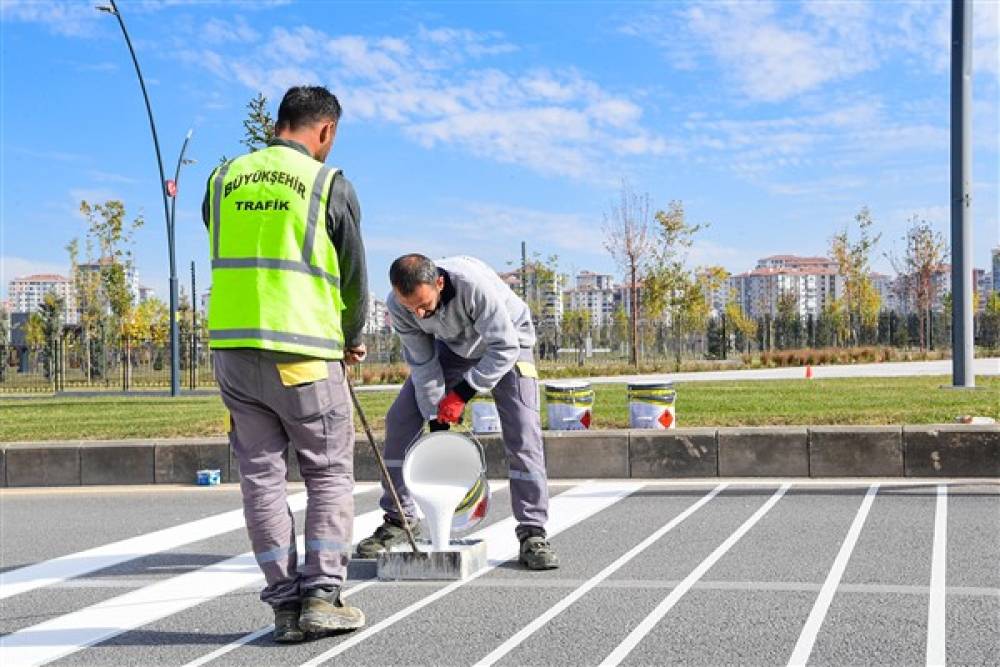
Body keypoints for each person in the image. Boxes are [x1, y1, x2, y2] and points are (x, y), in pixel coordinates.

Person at [202, 85, 368, 643]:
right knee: (326, 472)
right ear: (325, 131)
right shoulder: (328, 183)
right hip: (304, 355)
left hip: (234, 354)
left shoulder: (222, 179)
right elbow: (353, 277)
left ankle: (284, 606)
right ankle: (323, 594)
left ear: (279, 123)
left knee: (261, 478)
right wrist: (350, 339)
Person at [356, 254, 559, 570]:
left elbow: (503, 348)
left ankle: (532, 532)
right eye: (412, 308)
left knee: (524, 430)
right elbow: (423, 364)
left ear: (439, 282)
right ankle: (401, 519)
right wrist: (436, 416)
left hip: (510, 342)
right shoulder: (400, 306)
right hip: (453, 349)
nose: (419, 314)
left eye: (424, 305)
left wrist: (463, 392)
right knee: (400, 420)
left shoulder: (472, 287)